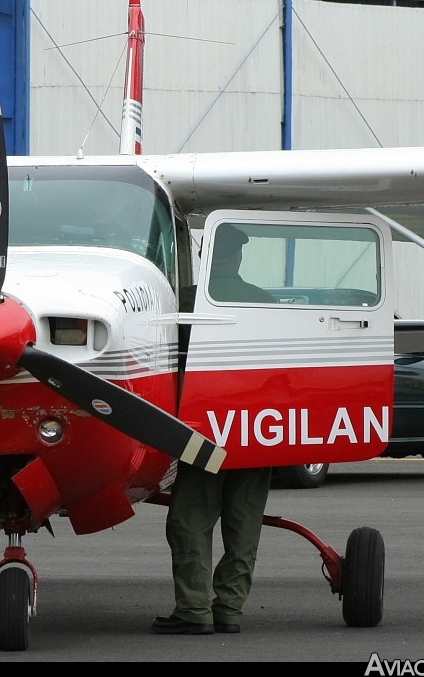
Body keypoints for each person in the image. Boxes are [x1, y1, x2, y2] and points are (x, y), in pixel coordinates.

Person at [152, 223, 273, 636]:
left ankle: (193, 609)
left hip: (204, 432)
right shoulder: (265, 303)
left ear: (206, 258)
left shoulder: (186, 303)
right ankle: (230, 610)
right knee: (244, 525)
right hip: (256, 430)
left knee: (190, 520)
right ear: (237, 257)